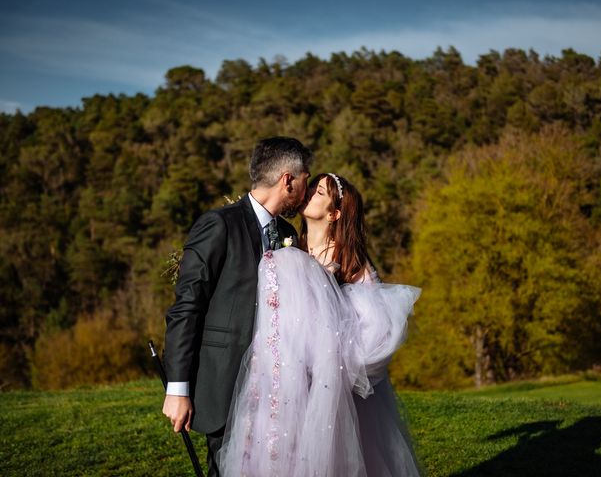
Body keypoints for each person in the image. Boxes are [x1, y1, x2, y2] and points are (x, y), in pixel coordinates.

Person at [218, 173, 422, 476]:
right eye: (310, 187)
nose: (309, 193)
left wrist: (338, 365)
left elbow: (381, 328)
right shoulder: (291, 246)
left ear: (334, 213)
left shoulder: (350, 261)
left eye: (320, 192)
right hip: (285, 381)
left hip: (330, 387)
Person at [162, 137, 313, 477]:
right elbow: (187, 307)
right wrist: (178, 388)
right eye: (306, 178)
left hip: (278, 389)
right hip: (225, 384)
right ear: (288, 179)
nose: (307, 188)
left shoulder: (288, 233)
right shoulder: (220, 224)